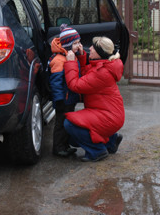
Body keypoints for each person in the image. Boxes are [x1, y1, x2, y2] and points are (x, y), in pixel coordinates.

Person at [63, 36, 125, 162]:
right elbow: (88, 74)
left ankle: (97, 151)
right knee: (72, 137)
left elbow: (75, 85)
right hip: (111, 114)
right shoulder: (104, 65)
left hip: (109, 117)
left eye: (93, 47)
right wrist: (81, 57)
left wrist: (70, 62)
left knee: (69, 125)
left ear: (100, 53)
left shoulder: (102, 73)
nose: (89, 48)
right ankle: (111, 140)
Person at [48, 24, 83, 157]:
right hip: (63, 99)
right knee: (61, 124)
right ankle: (58, 148)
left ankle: (65, 145)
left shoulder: (71, 56)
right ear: (67, 44)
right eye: (75, 43)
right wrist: (59, 99)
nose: (78, 45)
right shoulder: (59, 60)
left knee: (67, 123)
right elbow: (56, 83)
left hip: (70, 98)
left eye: (79, 42)